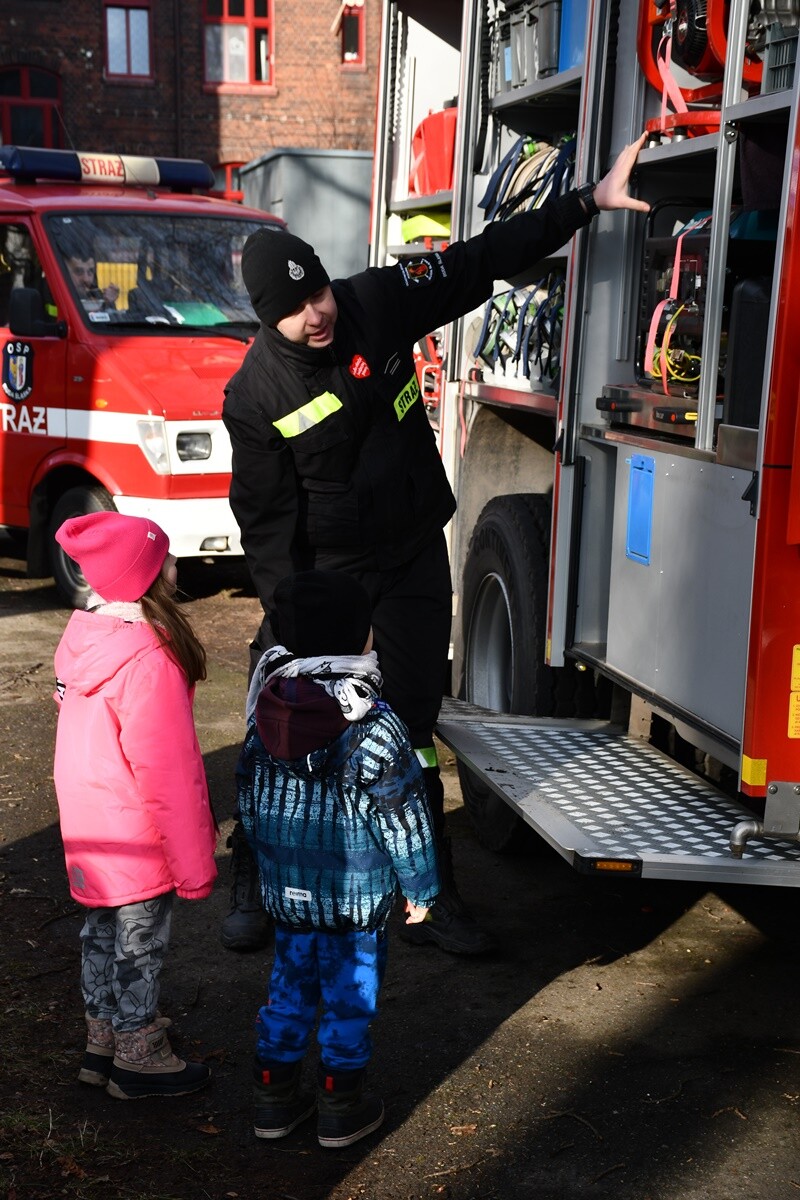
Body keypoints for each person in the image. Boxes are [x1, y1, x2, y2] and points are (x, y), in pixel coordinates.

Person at [221, 135, 651, 957]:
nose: (318, 315)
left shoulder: (371, 303)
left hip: (412, 551)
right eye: (296, 308)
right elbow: (267, 528)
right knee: (285, 712)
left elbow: (474, 262)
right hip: (328, 576)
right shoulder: (255, 395)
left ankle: (429, 895)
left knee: (413, 718)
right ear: (265, 316)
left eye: (319, 295)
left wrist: (585, 201)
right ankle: (256, 867)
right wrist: (305, 628)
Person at [237, 569, 440, 1148]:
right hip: (357, 902)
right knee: (349, 998)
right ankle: (338, 1107)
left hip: (288, 895)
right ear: (361, 639)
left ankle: (273, 1101)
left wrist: (266, 867)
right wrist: (421, 888)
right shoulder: (375, 726)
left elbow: (247, 806)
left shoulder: (265, 714)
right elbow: (404, 817)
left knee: (289, 990)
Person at [51, 511, 218, 1100]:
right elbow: (168, 773)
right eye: (166, 559)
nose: (176, 566)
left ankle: (104, 1042)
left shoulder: (87, 640)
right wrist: (195, 865)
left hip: (92, 829)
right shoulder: (148, 661)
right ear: (146, 577)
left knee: (102, 932)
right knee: (138, 945)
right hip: (136, 832)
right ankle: (139, 1057)